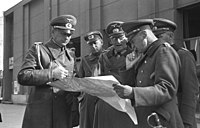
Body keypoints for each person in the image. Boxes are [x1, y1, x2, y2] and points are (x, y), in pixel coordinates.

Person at [113, 19, 184, 128]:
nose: (132, 47)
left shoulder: (163, 51)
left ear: (143, 35)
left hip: (161, 120)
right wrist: (128, 66)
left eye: (133, 42)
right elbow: (135, 82)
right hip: (147, 119)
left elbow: (167, 89)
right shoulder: (146, 54)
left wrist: (133, 93)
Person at [17, 15, 79, 128]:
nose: (67, 38)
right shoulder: (38, 50)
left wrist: (79, 89)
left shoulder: (71, 55)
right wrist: (51, 73)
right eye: (63, 33)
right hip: (41, 114)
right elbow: (23, 76)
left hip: (63, 113)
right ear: (53, 32)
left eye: (69, 35)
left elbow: (74, 80)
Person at [153, 18, 200, 128]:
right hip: (161, 117)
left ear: (170, 36)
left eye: (159, 37)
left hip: (179, 117)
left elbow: (190, 91)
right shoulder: (156, 55)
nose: (155, 40)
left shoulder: (183, 55)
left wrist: (186, 122)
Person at [93, 21, 135, 128]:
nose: (118, 41)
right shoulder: (104, 56)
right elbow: (98, 78)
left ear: (127, 37)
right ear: (110, 40)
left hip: (126, 104)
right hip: (107, 102)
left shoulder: (135, 54)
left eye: (121, 37)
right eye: (114, 38)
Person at [78, 31, 104, 128]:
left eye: (95, 43)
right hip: (89, 100)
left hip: (105, 98)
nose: (93, 46)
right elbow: (80, 80)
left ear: (101, 42)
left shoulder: (108, 56)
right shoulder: (85, 60)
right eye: (90, 44)